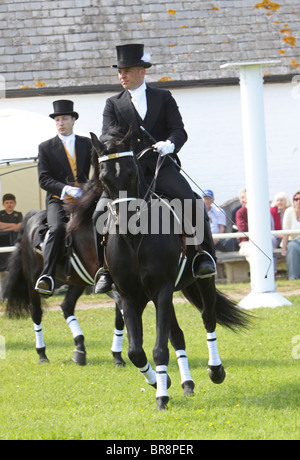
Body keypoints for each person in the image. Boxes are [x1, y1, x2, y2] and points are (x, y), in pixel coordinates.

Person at [93, 43, 216, 293]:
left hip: (161, 166)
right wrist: (118, 145)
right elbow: (106, 135)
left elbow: (179, 130)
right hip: (128, 173)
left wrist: (169, 144)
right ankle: (103, 269)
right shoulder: (113, 103)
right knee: (97, 214)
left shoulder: (163, 97)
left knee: (192, 203)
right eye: (119, 71)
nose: (122, 75)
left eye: (127, 70)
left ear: (142, 71)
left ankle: (203, 256)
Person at [35, 100, 91, 296]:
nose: (60, 123)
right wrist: (66, 189)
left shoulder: (87, 143)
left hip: (85, 198)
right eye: (57, 119)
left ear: (73, 120)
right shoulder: (45, 147)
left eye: (64, 119)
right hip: (58, 199)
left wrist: (90, 189)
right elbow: (43, 179)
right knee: (58, 228)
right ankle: (48, 275)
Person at [0, 193, 23, 299]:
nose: (9, 205)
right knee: (3, 270)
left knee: (14, 270)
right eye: (7, 202)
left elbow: (19, 227)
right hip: (2, 246)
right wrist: (13, 226)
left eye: (11, 202)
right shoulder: (0, 214)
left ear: (15, 203)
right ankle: (5, 295)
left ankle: (15, 294)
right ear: (3, 204)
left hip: (14, 245)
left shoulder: (18, 214)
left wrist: (5, 226)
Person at [270, 192, 291, 273]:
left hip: (288, 235)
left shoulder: (290, 211)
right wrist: (278, 234)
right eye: (277, 200)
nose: (279, 202)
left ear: (286, 201)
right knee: (271, 240)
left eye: (281, 200)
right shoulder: (272, 211)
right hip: (276, 235)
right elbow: (270, 227)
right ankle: (273, 270)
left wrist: (285, 235)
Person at [281, 190, 300, 280]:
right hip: (294, 240)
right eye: (296, 199)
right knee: (292, 248)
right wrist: (284, 248)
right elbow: (286, 231)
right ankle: (293, 277)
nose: (298, 201)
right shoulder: (289, 211)